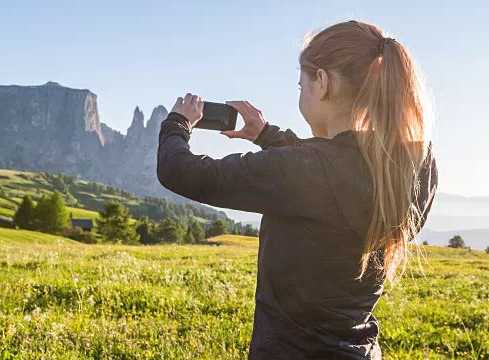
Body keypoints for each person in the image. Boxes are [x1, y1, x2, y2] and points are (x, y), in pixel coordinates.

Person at [157, 20, 438, 360]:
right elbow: (334, 169)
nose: (301, 93)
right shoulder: (417, 165)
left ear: (322, 82)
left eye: (301, 84)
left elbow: (178, 171)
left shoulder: (304, 172)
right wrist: (267, 135)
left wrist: (178, 122)